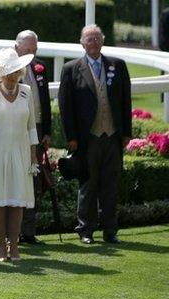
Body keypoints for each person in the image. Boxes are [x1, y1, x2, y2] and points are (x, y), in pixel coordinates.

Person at [58, 24, 131, 244]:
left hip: (112, 135)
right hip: (86, 137)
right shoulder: (71, 69)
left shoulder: (117, 66)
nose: (94, 42)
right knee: (88, 185)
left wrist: (126, 132)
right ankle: (85, 230)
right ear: (82, 42)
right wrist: (71, 137)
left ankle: (110, 230)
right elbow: (65, 106)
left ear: (103, 40)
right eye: (89, 39)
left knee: (110, 184)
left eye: (97, 38)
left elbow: (126, 101)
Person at [0, 48, 39, 262]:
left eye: (16, 71)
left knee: (16, 201)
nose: (13, 76)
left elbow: (32, 127)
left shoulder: (27, 92)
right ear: (1, 74)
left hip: (20, 152)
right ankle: (1, 246)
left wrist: (33, 156)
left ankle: (15, 246)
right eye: (9, 72)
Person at [15, 30, 52, 245]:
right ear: (17, 47)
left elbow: (45, 102)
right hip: (16, 129)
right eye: (28, 50)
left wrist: (46, 132)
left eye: (34, 49)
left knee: (33, 179)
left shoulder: (40, 67)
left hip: (36, 129)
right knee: (16, 178)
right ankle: (14, 230)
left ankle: (28, 231)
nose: (31, 54)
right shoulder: (8, 65)